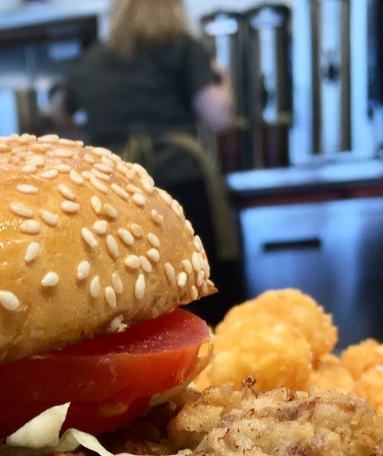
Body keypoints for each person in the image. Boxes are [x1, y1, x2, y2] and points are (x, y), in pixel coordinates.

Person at [52, 0, 245, 320]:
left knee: (129, 303)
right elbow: (218, 116)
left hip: (114, 194)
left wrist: (84, 132)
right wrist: (224, 79)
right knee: (198, 292)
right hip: (180, 185)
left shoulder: (93, 59)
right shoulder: (182, 48)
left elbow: (58, 110)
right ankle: (215, 364)